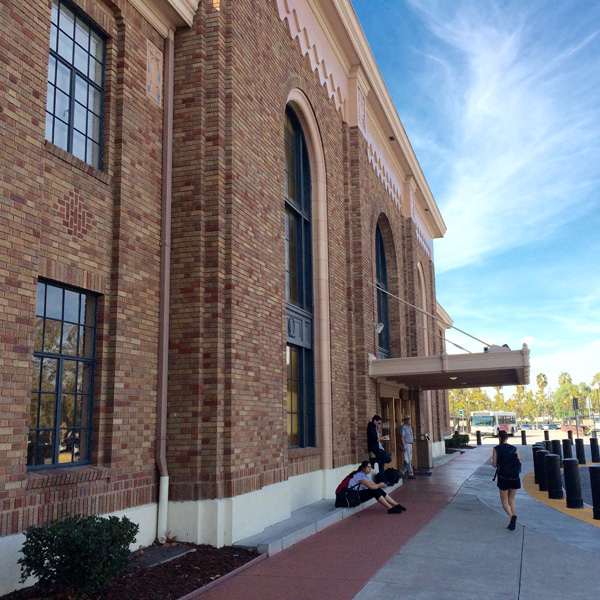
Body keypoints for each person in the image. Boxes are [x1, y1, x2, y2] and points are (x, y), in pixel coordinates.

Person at [493, 430, 521, 530]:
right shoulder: (514, 449)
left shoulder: (497, 449)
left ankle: (512, 517)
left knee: (504, 501)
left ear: (499, 438)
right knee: (511, 500)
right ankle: (512, 520)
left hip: (503, 478)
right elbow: (519, 461)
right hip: (515, 477)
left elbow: (495, 464)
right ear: (507, 438)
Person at [367, 415, 392, 484]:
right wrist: (384, 437)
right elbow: (375, 439)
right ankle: (374, 460)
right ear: (375, 421)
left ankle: (383, 481)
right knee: (388, 459)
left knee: (381, 464)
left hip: (379, 448)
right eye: (378, 423)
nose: (379, 425)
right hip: (377, 449)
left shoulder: (375, 428)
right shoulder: (371, 427)